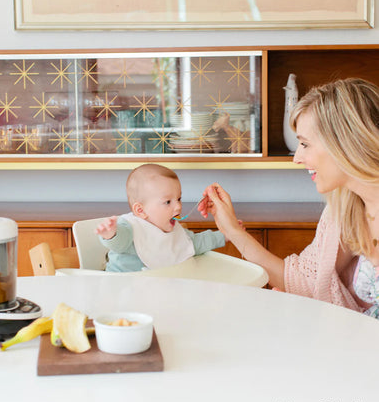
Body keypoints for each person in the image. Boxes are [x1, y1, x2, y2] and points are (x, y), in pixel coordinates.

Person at [199, 78, 379, 316]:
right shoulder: (345, 210)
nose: (297, 158)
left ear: (345, 144)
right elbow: (300, 280)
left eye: (305, 144)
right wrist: (231, 229)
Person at [95, 164, 226, 272]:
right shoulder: (130, 226)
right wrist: (112, 234)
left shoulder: (172, 228)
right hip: (120, 288)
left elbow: (195, 244)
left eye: (179, 199)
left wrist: (225, 234)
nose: (178, 207)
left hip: (154, 289)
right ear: (140, 210)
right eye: (168, 202)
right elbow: (120, 243)